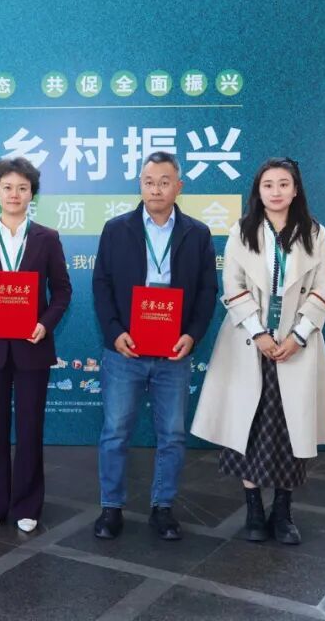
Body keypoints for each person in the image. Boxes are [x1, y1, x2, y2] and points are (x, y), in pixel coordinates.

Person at [191, 157, 325, 545]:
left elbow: (324, 289)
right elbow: (232, 285)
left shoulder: (314, 233)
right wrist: (259, 334)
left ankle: (283, 513)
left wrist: (298, 336)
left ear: (296, 189)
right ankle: (254, 510)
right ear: (258, 190)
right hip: (249, 343)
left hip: (296, 346)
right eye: (268, 184)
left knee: (290, 431)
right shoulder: (242, 231)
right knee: (249, 429)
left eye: (284, 184)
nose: (276, 191)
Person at [91, 151, 217, 540]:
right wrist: (115, 332)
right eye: (149, 182)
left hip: (173, 352)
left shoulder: (197, 233)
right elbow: (101, 285)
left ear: (179, 186)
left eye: (164, 182)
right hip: (125, 350)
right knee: (115, 431)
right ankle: (111, 508)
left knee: (173, 435)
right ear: (140, 185)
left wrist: (192, 334)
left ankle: (163, 508)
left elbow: (207, 290)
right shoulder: (116, 229)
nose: (156, 189)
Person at [0, 157, 72, 533]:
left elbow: (62, 291)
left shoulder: (47, 238)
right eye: (7, 187)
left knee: (30, 428)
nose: (14, 194)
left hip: (32, 344)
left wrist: (44, 324)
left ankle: (27, 504)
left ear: (32, 194)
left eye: (22, 188)